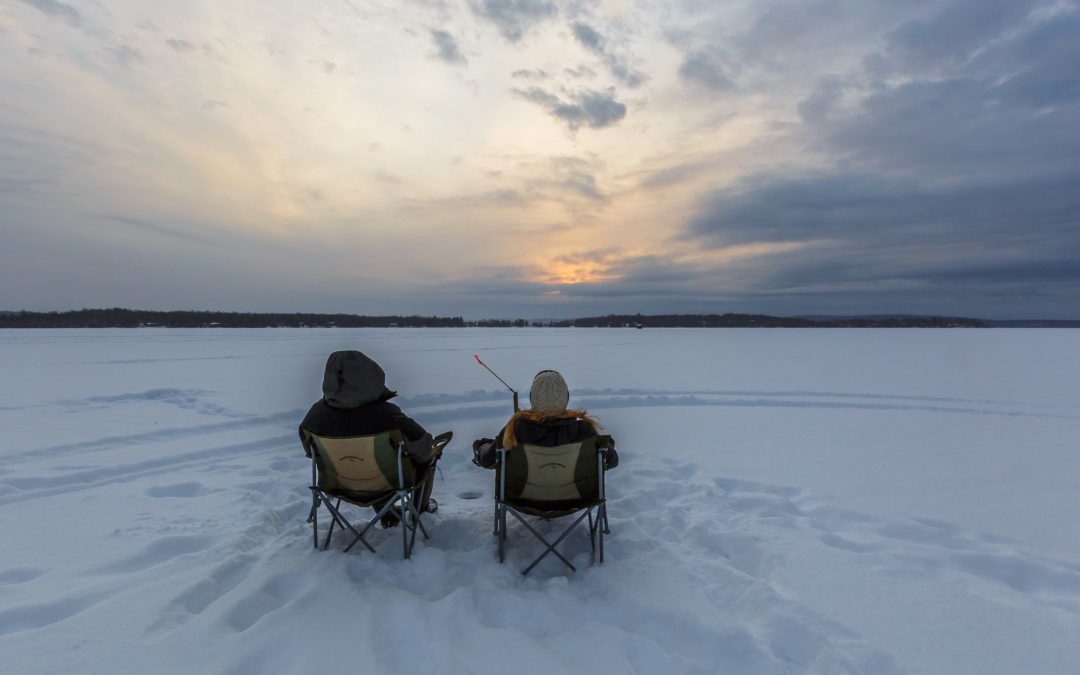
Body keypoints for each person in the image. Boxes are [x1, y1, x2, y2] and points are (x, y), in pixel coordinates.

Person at [299, 350, 444, 527]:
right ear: (370, 378)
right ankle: (419, 512)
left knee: (375, 463)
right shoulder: (387, 415)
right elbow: (424, 448)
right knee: (427, 457)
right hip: (388, 485)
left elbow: (311, 453)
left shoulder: (315, 417)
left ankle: (388, 515)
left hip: (338, 486)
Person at [472, 369, 619, 470]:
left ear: (533, 398)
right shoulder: (584, 430)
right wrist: (607, 445)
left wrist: (483, 447)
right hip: (574, 498)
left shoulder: (517, 429)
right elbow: (612, 461)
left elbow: (488, 460)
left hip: (523, 499)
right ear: (565, 398)